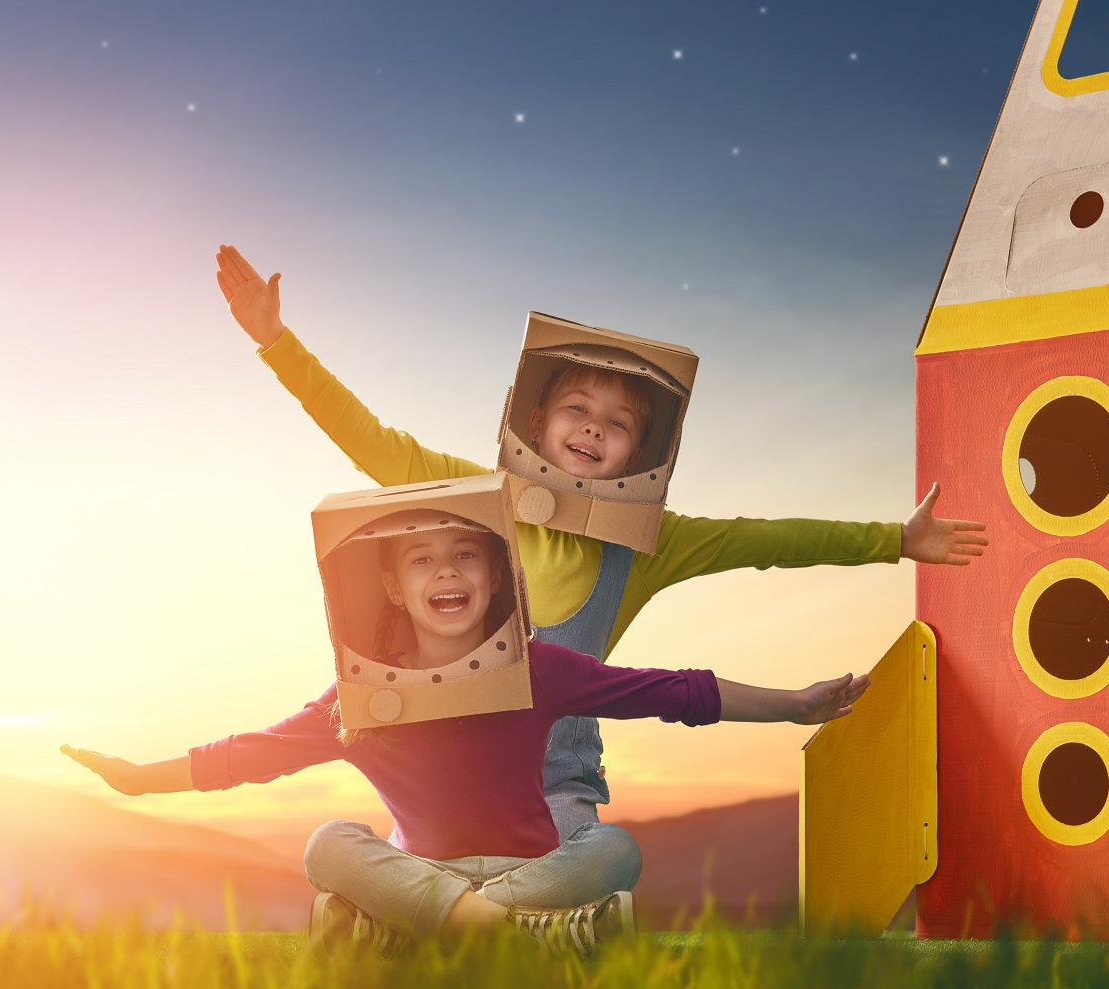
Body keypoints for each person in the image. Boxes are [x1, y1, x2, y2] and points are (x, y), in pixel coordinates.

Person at [213, 244, 985, 839]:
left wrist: (894, 539)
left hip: (556, 790)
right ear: (535, 424)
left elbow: (765, 539)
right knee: (420, 884)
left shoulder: (644, 547)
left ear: (638, 457)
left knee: (567, 855)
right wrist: (276, 341)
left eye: (618, 424)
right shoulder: (472, 501)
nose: (592, 427)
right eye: (576, 408)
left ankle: (560, 903)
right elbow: (367, 438)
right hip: (442, 785)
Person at [63, 515, 870, 956]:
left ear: (492, 578)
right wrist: (141, 777)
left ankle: (445, 924)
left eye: (463, 557)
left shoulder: (540, 667)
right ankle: (525, 936)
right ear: (393, 583)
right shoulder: (358, 697)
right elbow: (249, 753)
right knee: (325, 844)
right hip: (421, 867)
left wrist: (795, 703)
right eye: (422, 560)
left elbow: (669, 691)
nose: (445, 573)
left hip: (533, 867)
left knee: (614, 848)